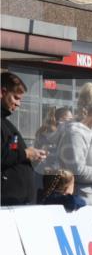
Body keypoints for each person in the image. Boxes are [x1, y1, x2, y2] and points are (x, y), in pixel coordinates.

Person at [2, 72, 48, 205]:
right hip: (6, 203)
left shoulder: (5, 123)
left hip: (16, 202)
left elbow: (11, 152)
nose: (18, 104)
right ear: (2, 92)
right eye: (16, 98)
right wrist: (26, 153)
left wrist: (32, 156)